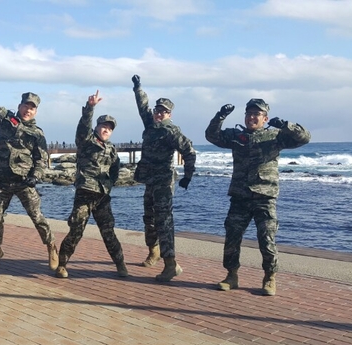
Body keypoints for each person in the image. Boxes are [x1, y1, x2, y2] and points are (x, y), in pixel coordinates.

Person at [205, 99, 311, 296]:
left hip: (264, 196)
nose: (252, 117)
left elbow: (304, 138)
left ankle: (269, 277)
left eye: (257, 114)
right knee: (232, 238)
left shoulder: (275, 136)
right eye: (249, 114)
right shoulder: (236, 136)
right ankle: (231, 276)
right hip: (240, 196)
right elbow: (212, 135)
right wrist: (220, 115)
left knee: (266, 239)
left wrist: (286, 126)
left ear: (265, 118)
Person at [0, 64, 58, 272]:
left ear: (36, 111)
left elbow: (42, 158)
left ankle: (51, 247)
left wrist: (36, 176)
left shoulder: (37, 134)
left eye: (32, 107)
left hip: (24, 182)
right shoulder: (6, 120)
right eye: (25, 105)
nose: (28, 110)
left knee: (37, 218)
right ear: (20, 105)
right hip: (2, 181)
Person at [131, 75, 196, 282]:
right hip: (150, 181)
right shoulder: (150, 125)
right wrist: (138, 88)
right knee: (148, 219)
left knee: (164, 222)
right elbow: (142, 106)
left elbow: (189, 152)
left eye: (163, 111)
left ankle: (171, 264)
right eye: (157, 110)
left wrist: (187, 176)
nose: (159, 114)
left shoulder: (171, 132)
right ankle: (154, 251)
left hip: (164, 183)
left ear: (170, 114)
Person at [56, 91, 127, 278]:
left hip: (103, 196)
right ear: (97, 127)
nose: (106, 130)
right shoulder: (86, 140)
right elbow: (83, 126)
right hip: (85, 193)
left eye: (110, 128)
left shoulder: (111, 149)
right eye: (104, 126)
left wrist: (111, 183)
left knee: (108, 232)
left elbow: (115, 168)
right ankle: (62, 264)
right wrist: (90, 107)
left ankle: (120, 263)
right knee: (76, 230)